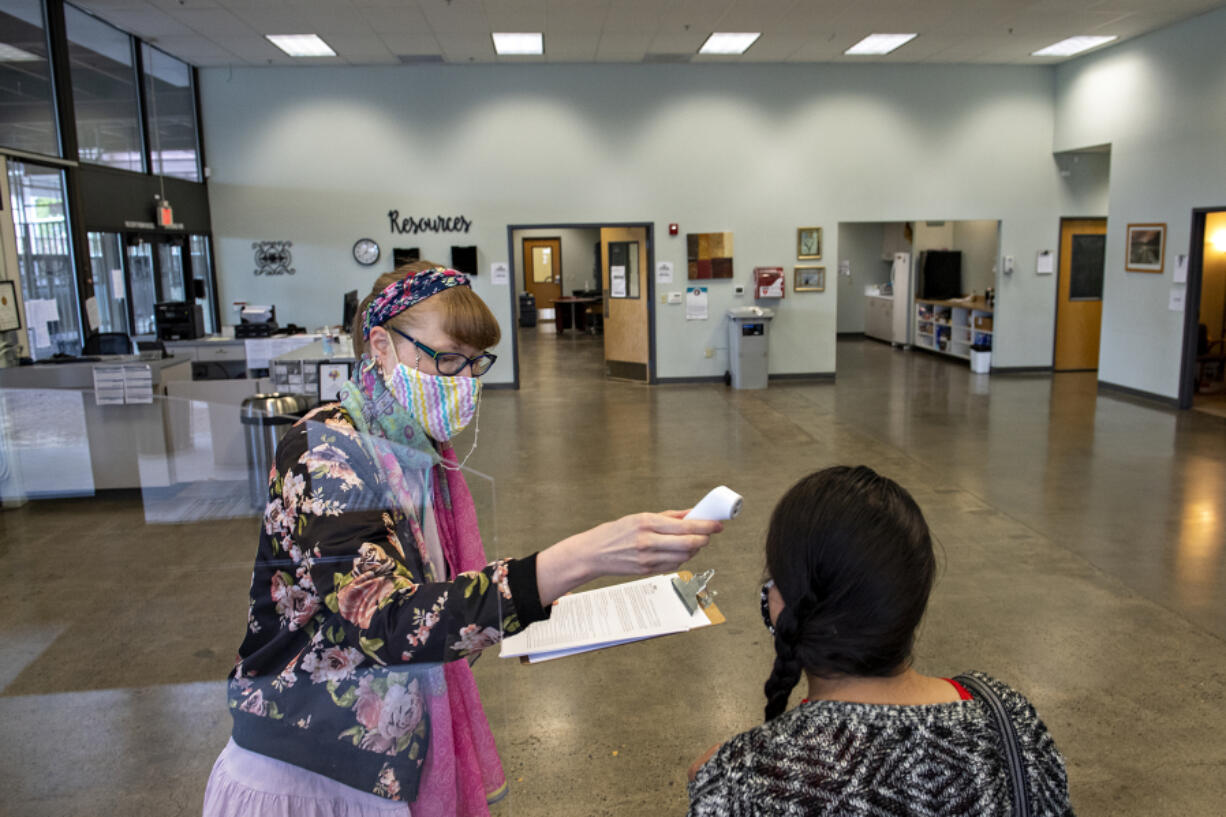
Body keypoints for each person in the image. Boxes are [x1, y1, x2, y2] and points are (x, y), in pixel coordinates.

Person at [204, 262, 722, 817]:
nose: (465, 380)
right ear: (380, 345)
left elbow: (432, 586)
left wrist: (541, 598)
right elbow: (387, 620)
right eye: (448, 359)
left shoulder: (416, 450)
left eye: (476, 363)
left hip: (385, 757)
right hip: (308, 766)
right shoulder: (325, 452)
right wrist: (581, 556)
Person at [687, 466, 1074, 817]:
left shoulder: (740, 783)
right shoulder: (1011, 723)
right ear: (913, 597)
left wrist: (721, 782)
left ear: (783, 602)